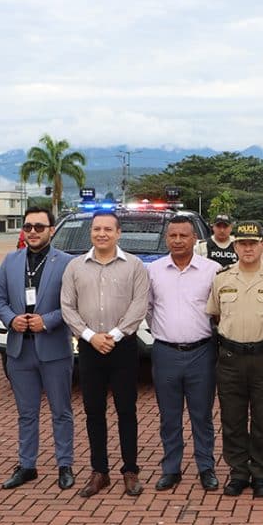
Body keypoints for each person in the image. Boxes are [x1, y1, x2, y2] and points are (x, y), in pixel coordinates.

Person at [61, 211, 150, 497]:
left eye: (108, 229)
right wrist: (89, 336)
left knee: (126, 409)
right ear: (91, 233)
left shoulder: (134, 266)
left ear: (118, 233)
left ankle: (130, 470)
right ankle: (100, 471)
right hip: (88, 346)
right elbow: (67, 307)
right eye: (97, 229)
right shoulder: (75, 267)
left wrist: (115, 335)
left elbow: (140, 305)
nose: (102, 234)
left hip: (122, 345)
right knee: (93, 411)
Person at [0, 207, 76, 491]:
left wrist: (48, 321)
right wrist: (10, 319)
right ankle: (27, 465)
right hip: (19, 350)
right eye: (28, 226)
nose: (32, 232)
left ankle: (65, 465)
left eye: (39, 227)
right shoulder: (11, 261)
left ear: (51, 230)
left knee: (61, 411)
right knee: (26, 413)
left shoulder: (67, 262)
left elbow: (72, 304)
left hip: (54, 349)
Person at [206, 220, 263, 498]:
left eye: (253, 243)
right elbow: (215, 315)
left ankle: (261, 473)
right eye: (242, 243)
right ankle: (238, 472)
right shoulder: (222, 278)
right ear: (235, 245)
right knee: (233, 419)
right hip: (230, 358)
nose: (248, 248)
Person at [146, 215, 220, 492]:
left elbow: (218, 311)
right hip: (165, 352)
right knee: (169, 415)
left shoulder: (211, 270)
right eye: (173, 236)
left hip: (201, 352)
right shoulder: (153, 270)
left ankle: (206, 467)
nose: (177, 240)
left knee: (202, 415)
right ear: (167, 239)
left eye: (183, 236)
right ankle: (171, 468)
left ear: (195, 240)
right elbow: (148, 308)